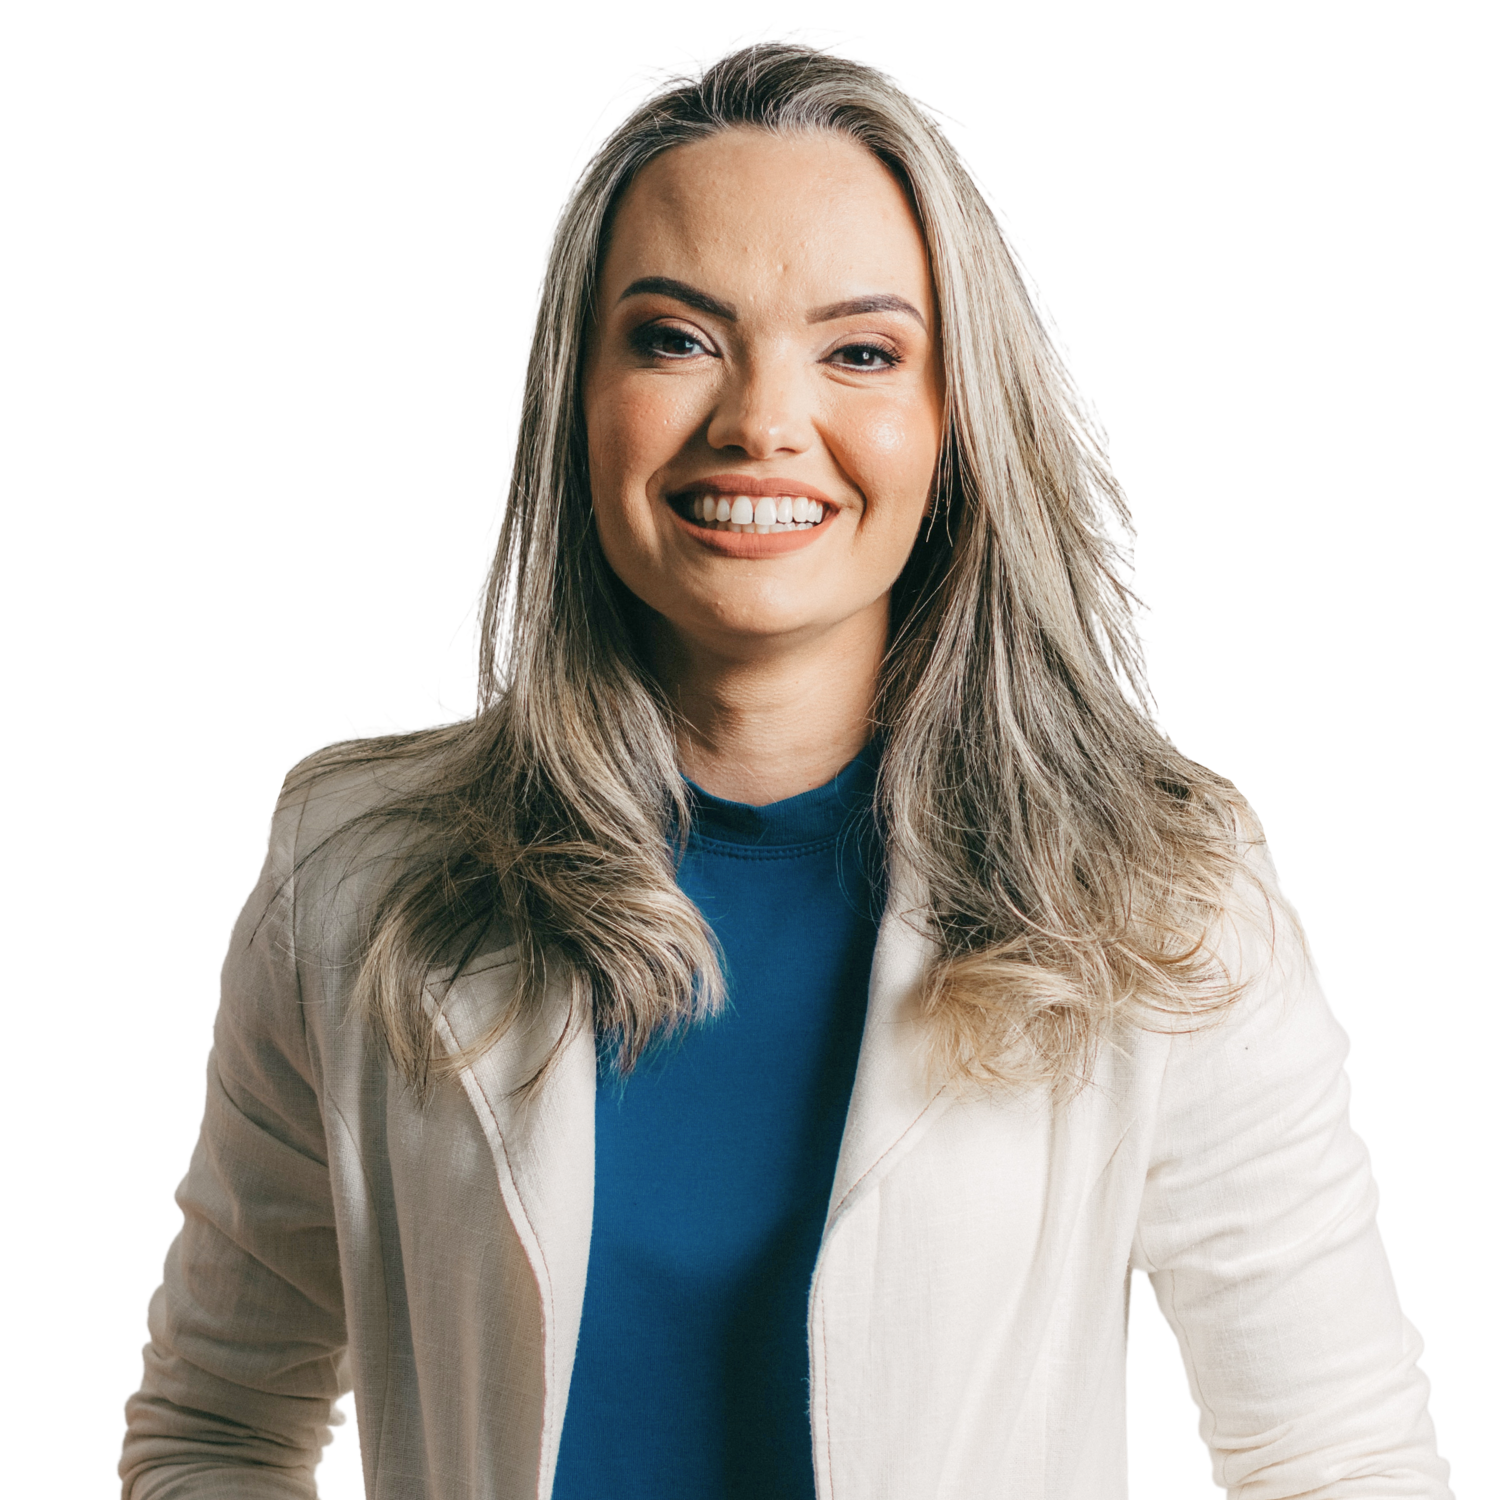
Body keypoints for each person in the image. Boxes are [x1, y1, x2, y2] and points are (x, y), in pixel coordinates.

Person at [115, 28, 1453, 1500]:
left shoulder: (1162, 894)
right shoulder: (353, 871)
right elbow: (212, 1430)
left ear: (955, 420)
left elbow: (1338, 1459)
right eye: (675, 338)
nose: (761, 422)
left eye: (861, 351)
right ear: (576, 399)